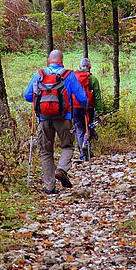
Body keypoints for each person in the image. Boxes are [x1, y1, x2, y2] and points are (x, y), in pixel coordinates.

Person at [24, 49, 88, 194]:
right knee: (68, 146)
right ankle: (61, 169)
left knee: (46, 152)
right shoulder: (68, 75)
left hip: (44, 119)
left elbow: (28, 96)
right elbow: (82, 98)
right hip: (64, 118)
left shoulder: (39, 75)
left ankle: (49, 187)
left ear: (48, 60)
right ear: (62, 60)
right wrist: (84, 108)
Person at [72, 57, 104, 161]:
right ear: (90, 67)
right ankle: (86, 142)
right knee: (89, 126)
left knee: (79, 129)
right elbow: (98, 97)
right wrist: (100, 112)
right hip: (88, 107)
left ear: (79, 66)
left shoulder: (73, 77)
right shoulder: (92, 79)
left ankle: (83, 155)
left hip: (75, 107)